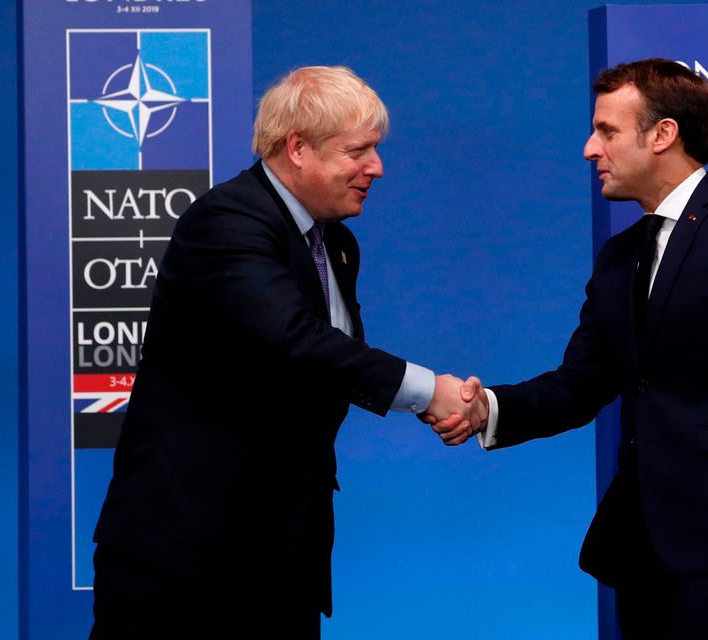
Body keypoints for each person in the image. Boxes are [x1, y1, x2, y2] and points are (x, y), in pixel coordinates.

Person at [426, 58, 708, 639]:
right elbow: (580, 383)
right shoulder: (619, 255)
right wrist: (488, 410)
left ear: (663, 135)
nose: (589, 148)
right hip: (639, 542)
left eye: (606, 131)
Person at [90, 66, 487, 639]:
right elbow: (293, 341)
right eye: (359, 151)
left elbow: (328, 363)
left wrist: (428, 402)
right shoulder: (227, 220)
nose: (377, 167)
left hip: (282, 551)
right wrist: (431, 391)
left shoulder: (336, 242)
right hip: (187, 558)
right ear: (297, 148)